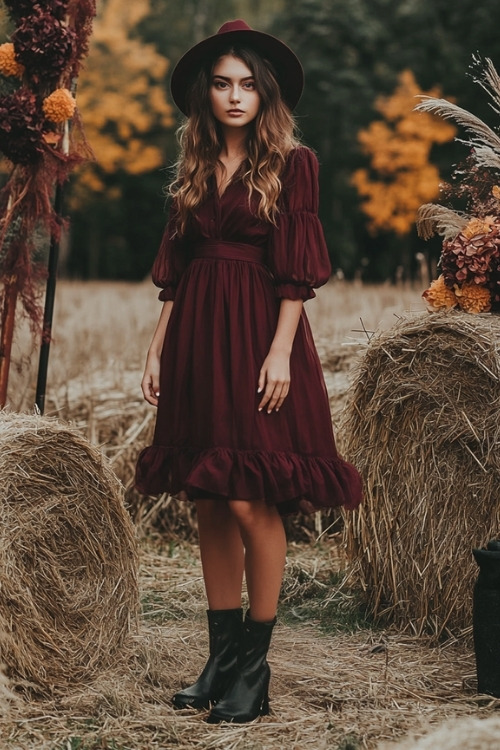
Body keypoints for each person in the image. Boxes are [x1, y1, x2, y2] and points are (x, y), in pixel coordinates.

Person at [135, 19, 362, 724]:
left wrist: (278, 350)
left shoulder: (295, 163)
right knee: (207, 494)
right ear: (206, 94)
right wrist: (156, 347)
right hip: (196, 335)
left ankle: (254, 668)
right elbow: (175, 273)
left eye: (246, 86)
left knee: (246, 495)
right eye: (222, 84)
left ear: (265, 96)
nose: (234, 97)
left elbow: (296, 272)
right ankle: (219, 658)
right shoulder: (194, 168)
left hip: (260, 333)